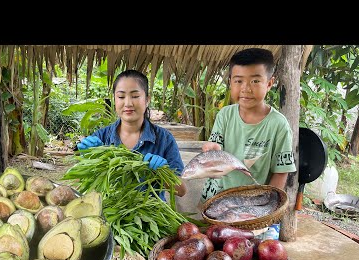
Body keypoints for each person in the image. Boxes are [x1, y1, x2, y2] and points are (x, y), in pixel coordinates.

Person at [200, 47, 296, 204]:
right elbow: (216, 145)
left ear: (269, 83)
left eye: (255, 81)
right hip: (216, 198)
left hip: (252, 204)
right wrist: (212, 149)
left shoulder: (278, 125)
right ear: (230, 82)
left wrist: (265, 206)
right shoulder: (225, 115)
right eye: (238, 81)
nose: (246, 88)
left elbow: (281, 172)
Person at [76, 69, 187, 199]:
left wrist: (164, 172)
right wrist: (87, 159)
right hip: (109, 215)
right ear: (115, 100)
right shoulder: (101, 137)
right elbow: (83, 184)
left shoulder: (164, 139)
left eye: (135, 96)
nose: (128, 103)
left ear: (147, 100)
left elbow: (181, 191)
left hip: (150, 215)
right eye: (121, 97)